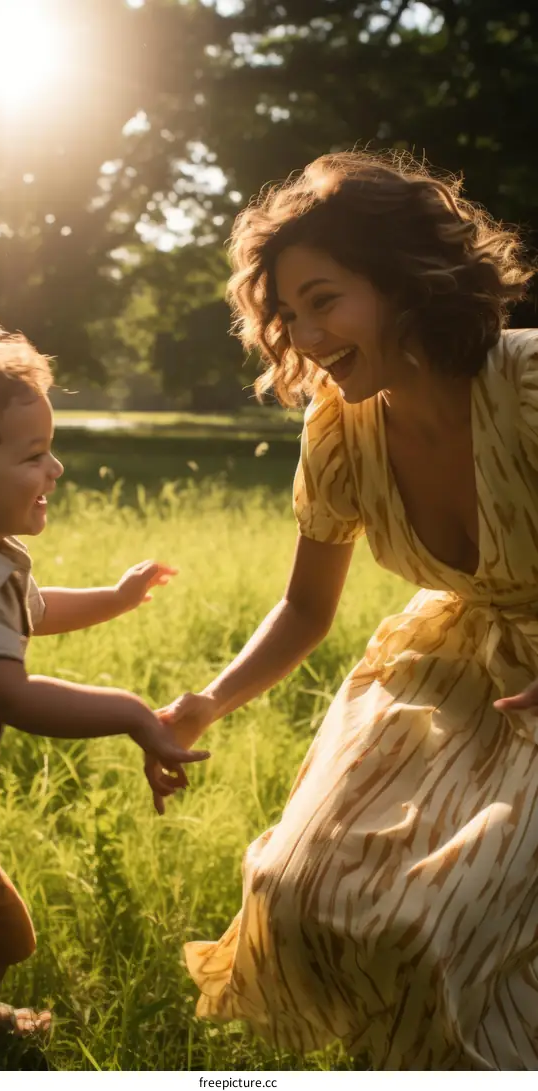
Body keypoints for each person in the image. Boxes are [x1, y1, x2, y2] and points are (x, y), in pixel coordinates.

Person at [145, 150, 538, 1070]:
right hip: (448, 661)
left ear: (404, 281)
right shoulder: (340, 428)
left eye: (326, 299)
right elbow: (302, 608)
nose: (307, 334)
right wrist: (205, 702)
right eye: (289, 312)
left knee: (456, 913)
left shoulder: (525, 386)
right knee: (294, 884)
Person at [0, 321, 208, 1049]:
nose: (56, 469)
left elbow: (32, 610)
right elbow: (13, 692)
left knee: (1, 934)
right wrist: (129, 711)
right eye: (32, 455)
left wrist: (115, 599)